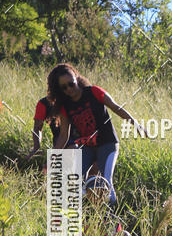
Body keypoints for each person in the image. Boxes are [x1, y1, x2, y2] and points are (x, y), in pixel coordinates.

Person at [48, 63, 146, 205]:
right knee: (74, 181)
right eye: (64, 87)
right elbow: (64, 135)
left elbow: (116, 108)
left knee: (105, 182)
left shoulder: (93, 92)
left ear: (76, 78)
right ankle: (89, 217)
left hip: (107, 144)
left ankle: (114, 219)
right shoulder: (65, 106)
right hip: (87, 148)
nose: (69, 89)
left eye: (71, 84)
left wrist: (136, 125)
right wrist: (53, 160)